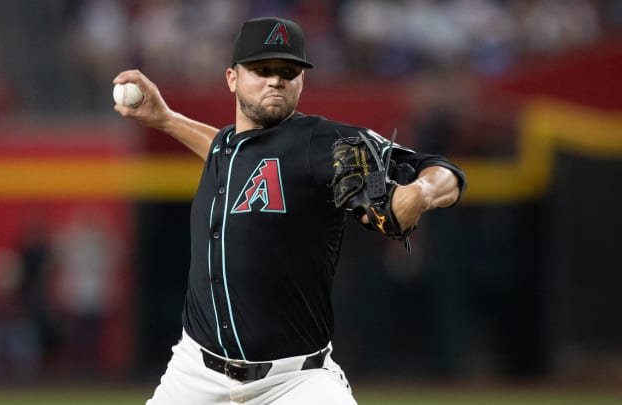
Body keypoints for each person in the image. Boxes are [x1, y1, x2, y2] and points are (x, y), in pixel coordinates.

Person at [113, 17, 466, 405]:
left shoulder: (322, 142)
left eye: (287, 71)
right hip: (195, 374)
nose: (275, 80)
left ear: (302, 80)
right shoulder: (228, 149)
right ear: (232, 78)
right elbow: (225, 149)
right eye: (261, 70)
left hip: (295, 382)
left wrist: (420, 192)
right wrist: (166, 119)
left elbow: (445, 172)